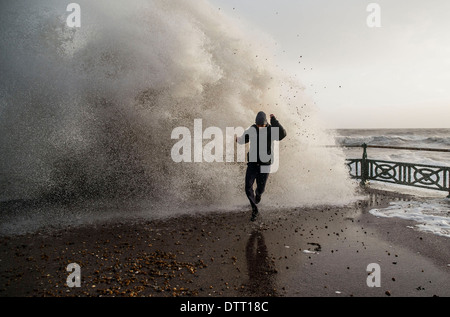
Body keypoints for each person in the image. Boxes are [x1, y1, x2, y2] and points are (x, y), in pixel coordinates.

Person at [236, 112, 287, 221]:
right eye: (258, 126)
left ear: (266, 123)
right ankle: (255, 209)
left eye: (262, 126)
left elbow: (282, 134)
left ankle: (258, 195)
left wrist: (275, 121)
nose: (260, 128)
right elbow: (244, 140)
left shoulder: (271, 130)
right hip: (253, 163)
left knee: (260, 189)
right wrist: (238, 140)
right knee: (247, 187)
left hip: (265, 165)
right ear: (255, 123)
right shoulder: (252, 129)